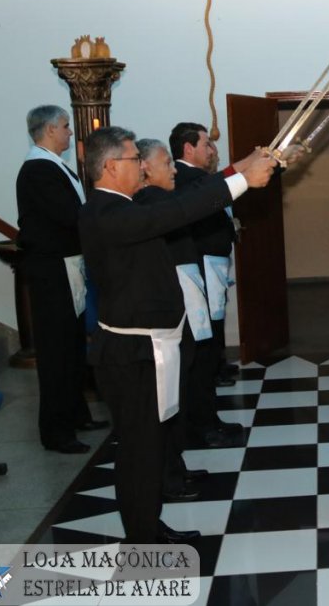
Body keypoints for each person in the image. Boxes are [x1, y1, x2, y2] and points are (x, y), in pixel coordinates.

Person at [79, 125, 275, 544]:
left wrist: (239, 168)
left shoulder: (122, 206)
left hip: (149, 346)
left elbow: (183, 199)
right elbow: (176, 211)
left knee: (151, 446)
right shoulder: (107, 212)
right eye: (135, 159)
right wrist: (242, 181)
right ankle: (143, 541)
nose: (142, 167)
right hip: (132, 354)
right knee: (140, 451)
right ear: (111, 167)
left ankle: (150, 526)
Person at [16, 104, 106, 454]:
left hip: (66, 267)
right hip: (52, 272)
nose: (70, 132)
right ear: (50, 129)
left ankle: (77, 413)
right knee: (57, 352)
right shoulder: (39, 169)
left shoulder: (52, 164)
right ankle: (56, 431)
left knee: (72, 345)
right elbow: (69, 216)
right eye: (66, 126)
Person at [134, 139, 211, 502]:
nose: (174, 168)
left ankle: (175, 466)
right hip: (164, 313)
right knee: (168, 395)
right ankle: (168, 475)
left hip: (178, 303)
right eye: (167, 162)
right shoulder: (150, 202)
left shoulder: (159, 200)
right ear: (145, 168)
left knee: (179, 387)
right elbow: (189, 207)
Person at [169, 122, 243, 448]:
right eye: (206, 145)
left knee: (209, 350)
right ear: (188, 148)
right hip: (199, 273)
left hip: (210, 270)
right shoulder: (187, 180)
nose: (212, 150)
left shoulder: (198, 179)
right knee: (202, 352)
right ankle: (202, 425)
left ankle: (209, 419)